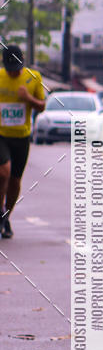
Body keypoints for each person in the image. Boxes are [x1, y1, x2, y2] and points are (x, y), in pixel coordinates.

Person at [0, 44, 46, 238]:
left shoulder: (34, 78)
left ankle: (6, 217)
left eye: (17, 69)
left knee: (15, 180)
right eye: (10, 70)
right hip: (1, 135)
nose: (14, 73)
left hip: (22, 137)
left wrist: (28, 98)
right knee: (4, 172)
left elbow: (42, 107)